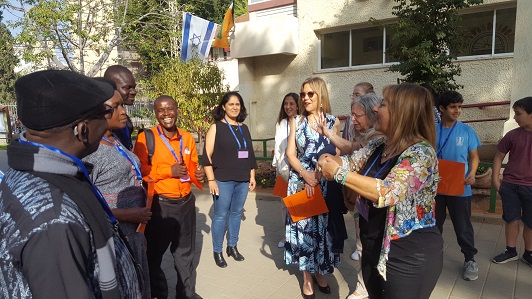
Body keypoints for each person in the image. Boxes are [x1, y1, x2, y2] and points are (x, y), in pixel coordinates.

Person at [0, 70, 141, 298]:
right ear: (82, 129)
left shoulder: (34, 171)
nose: (108, 120)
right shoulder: (54, 220)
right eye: (104, 113)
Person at [318, 83, 443, 299]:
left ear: (402, 113)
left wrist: (338, 173)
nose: (375, 109)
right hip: (373, 245)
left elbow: (388, 191)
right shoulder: (381, 145)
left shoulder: (422, 153)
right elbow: (350, 161)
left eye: (383, 104)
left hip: (407, 255)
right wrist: (328, 159)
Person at [83, 79, 152, 298]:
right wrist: (126, 215)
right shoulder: (89, 153)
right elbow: (83, 208)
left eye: (123, 105)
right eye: (117, 107)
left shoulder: (115, 140)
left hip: (134, 233)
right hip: (115, 238)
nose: (124, 112)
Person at [133, 95, 204, 299]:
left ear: (177, 110)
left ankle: (186, 294)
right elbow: (140, 170)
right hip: (161, 205)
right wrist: (167, 171)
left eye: (170, 109)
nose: (166, 114)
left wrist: (197, 175)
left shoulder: (187, 137)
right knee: (154, 256)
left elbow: (190, 168)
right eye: (161, 110)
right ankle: (159, 294)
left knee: (185, 255)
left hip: (186, 203)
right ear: (155, 114)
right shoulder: (146, 138)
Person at [317, 94, 384, 299]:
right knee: (363, 244)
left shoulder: (382, 139)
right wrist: (328, 155)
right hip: (363, 203)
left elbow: (351, 154)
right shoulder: (370, 140)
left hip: (381, 207)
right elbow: (351, 152)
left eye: (357, 115)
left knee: (374, 248)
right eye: (351, 114)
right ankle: (364, 286)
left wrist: (335, 169)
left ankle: (368, 286)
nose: (352, 119)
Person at [285, 77, 344, 299]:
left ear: (320, 95)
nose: (305, 98)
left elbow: (338, 152)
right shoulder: (296, 121)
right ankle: (307, 277)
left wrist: (323, 168)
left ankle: (320, 272)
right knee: (304, 233)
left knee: (323, 232)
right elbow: (290, 154)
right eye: (303, 94)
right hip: (301, 184)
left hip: (325, 186)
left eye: (310, 94)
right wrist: (306, 174)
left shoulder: (333, 121)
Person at [203, 91, 257, 268]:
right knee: (220, 216)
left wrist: (252, 176)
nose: (235, 107)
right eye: (231, 104)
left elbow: (249, 154)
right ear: (224, 107)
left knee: (236, 214)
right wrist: (211, 180)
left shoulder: (244, 128)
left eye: (238, 104)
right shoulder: (216, 127)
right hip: (223, 180)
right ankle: (217, 251)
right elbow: (207, 155)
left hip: (242, 179)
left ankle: (232, 246)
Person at [434, 90, 480, 281]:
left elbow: (474, 157)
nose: (457, 111)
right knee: (434, 225)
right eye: (453, 107)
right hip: (435, 187)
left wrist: (472, 174)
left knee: (462, 226)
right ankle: (433, 258)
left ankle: (470, 259)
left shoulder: (467, 131)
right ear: (442, 109)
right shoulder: (431, 130)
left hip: (460, 187)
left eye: (459, 107)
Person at [492, 97, 532, 266]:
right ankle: (510, 251)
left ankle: (529, 254)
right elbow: (499, 156)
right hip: (510, 185)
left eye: (518, 114)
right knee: (511, 219)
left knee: (530, 223)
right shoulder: (512, 135)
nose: (515, 117)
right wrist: (496, 179)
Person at [272, 92, 300, 248]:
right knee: (284, 204)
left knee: (296, 203)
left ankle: (298, 235)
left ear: (298, 105)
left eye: (291, 104)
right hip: (282, 170)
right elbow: (277, 146)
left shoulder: (302, 121)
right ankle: (286, 236)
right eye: (285, 104)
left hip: (297, 169)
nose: (288, 107)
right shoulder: (280, 123)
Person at [104, 65, 137, 150]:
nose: (133, 92)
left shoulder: (126, 122)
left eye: (134, 87)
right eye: (127, 88)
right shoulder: (102, 123)